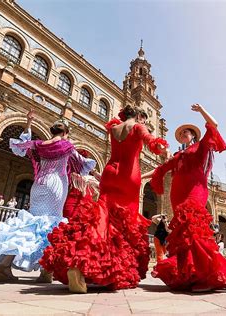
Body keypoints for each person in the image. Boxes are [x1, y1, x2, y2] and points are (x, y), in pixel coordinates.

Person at [40, 105, 169, 293]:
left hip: (110, 172)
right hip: (128, 175)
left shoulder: (114, 128)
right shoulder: (139, 127)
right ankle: (110, 267)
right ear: (140, 117)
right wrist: (161, 147)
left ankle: (78, 262)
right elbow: (152, 142)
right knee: (124, 224)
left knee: (101, 217)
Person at [0, 109, 96, 283]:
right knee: (51, 225)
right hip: (56, 185)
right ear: (66, 133)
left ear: (52, 131)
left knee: (32, 224)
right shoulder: (67, 146)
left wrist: (29, 123)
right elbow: (82, 163)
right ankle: (46, 271)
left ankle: (4, 266)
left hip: (38, 185)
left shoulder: (39, 145)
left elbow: (21, 146)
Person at [144, 103, 226, 291]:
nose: (182, 136)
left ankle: (207, 275)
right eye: (180, 134)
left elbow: (214, 125)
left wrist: (202, 110)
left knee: (193, 228)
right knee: (184, 234)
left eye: (186, 133)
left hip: (195, 191)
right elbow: (160, 170)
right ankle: (192, 274)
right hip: (177, 195)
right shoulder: (178, 155)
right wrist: (134, 177)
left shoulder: (201, 146)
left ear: (193, 135)